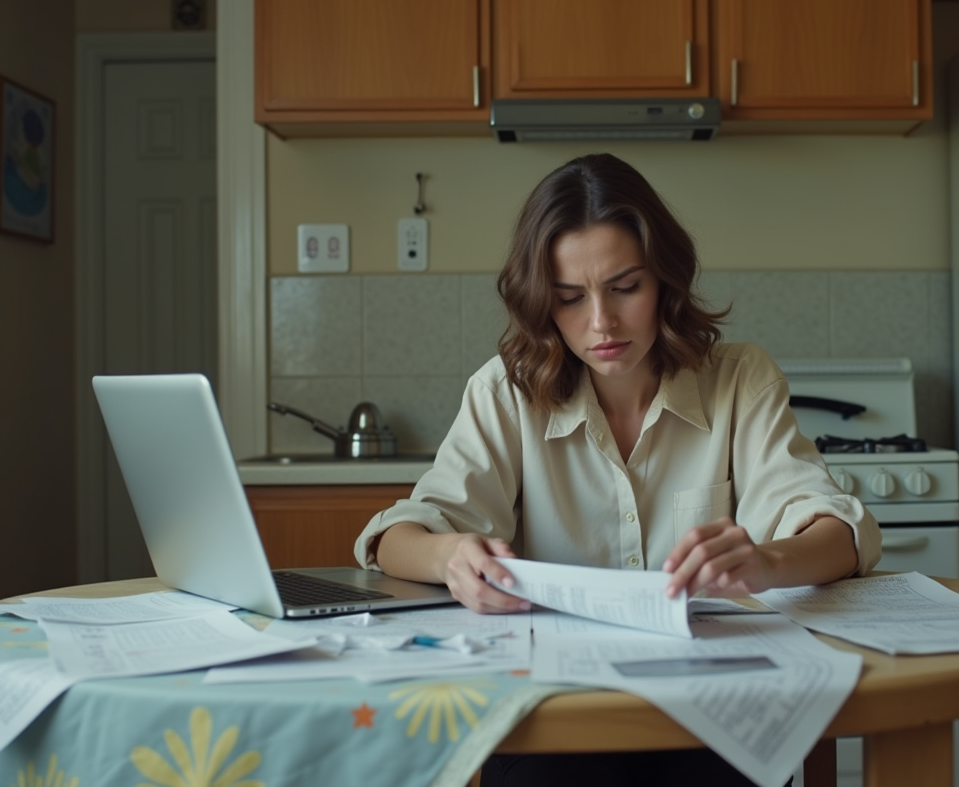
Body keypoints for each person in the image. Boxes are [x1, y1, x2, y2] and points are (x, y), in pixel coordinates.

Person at [354, 153, 882, 786]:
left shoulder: (740, 378)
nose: (600, 322)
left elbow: (837, 533)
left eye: (625, 287)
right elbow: (396, 537)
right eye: (570, 298)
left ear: (665, 280)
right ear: (540, 303)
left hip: (714, 709)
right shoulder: (505, 392)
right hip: (552, 717)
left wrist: (769, 563)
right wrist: (449, 558)